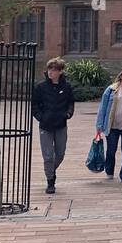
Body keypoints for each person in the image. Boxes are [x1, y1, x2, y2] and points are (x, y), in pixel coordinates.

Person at [32, 57, 75, 196]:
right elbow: (34, 105)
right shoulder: (41, 87)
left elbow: (71, 103)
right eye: (49, 69)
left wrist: (68, 114)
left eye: (54, 70)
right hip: (45, 126)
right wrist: (40, 117)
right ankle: (50, 180)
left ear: (60, 72)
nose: (51, 72)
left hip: (61, 125)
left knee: (60, 154)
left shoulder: (66, 87)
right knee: (48, 156)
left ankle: (50, 170)